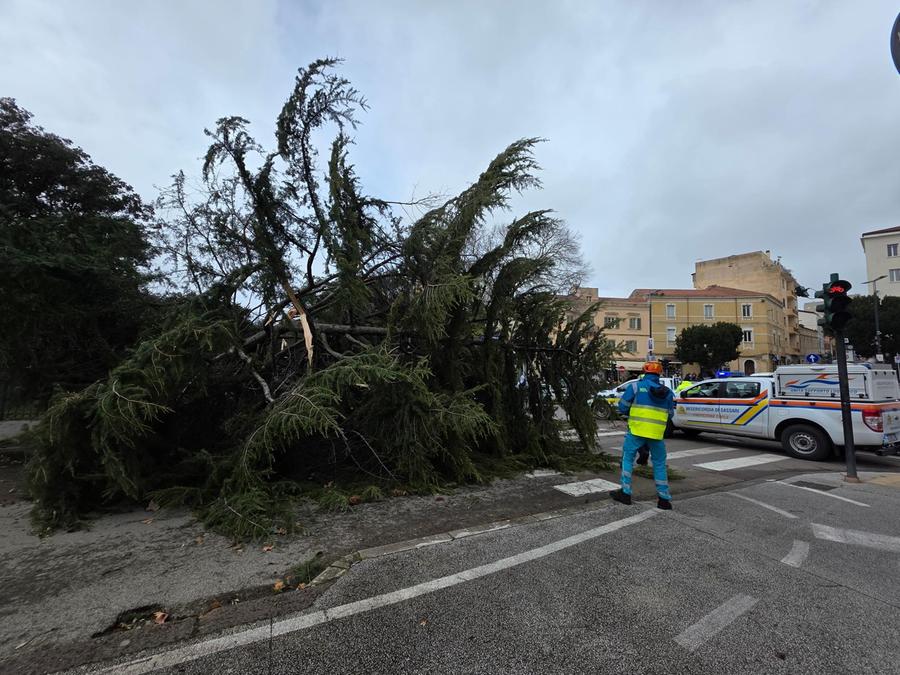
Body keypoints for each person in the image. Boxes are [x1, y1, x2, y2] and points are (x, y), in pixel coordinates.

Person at [610, 361, 675, 510]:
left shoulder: (635, 386)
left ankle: (625, 493)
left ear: (644, 372)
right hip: (656, 434)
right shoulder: (667, 392)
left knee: (627, 459)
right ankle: (664, 499)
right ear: (659, 374)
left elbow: (622, 407)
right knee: (659, 464)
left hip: (637, 431)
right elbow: (670, 413)